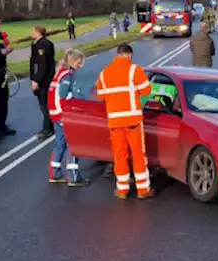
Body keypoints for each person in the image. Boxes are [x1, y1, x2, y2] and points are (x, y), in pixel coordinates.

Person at [96, 44, 154, 200]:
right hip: (133, 121)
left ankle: (122, 190)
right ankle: (143, 189)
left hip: (115, 122)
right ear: (129, 55)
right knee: (138, 155)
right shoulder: (134, 70)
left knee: (120, 155)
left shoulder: (104, 73)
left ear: (117, 54)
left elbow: (101, 96)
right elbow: (146, 91)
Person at [49, 49, 88, 186]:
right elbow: (65, 95)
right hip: (63, 115)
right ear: (73, 61)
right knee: (73, 144)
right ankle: (73, 176)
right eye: (79, 62)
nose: (81, 65)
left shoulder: (59, 73)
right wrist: (81, 102)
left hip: (55, 114)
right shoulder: (67, 75)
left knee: (60, 144)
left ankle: (54, 173)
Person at [29, 26, 57, 138]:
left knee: (44, 105)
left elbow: (41, 64)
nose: (31, 33)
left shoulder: (42, 45)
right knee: (46, 104)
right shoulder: (45, 43)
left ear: (37, 32)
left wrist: (36, 80)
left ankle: (48, 129)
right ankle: (49, 126)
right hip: (46, 78)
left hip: (44, 80)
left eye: (33, 31)